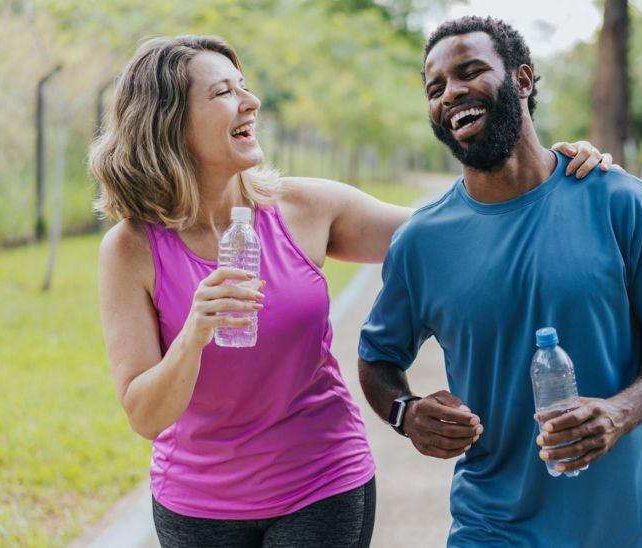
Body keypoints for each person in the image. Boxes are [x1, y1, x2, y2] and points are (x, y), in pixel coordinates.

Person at [90, 35, 612, 547]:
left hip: (321, 483)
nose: (250, 101)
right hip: (197, 503)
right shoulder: (130, 250)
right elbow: (145, 414)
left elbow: (457, 230)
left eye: (244, 86)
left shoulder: (304, 207)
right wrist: (194, 334)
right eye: (224, 92)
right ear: (170, 122)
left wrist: (551, 169)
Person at [357, 16, 642, 547]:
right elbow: (377, 357)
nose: (451, 93)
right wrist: (405, 412)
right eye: (435, 87)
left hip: (627, 528)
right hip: (490, 527)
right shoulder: (421, 240)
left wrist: (618, 413)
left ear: (522, 80)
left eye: (470, 71)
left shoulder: (623, 203)